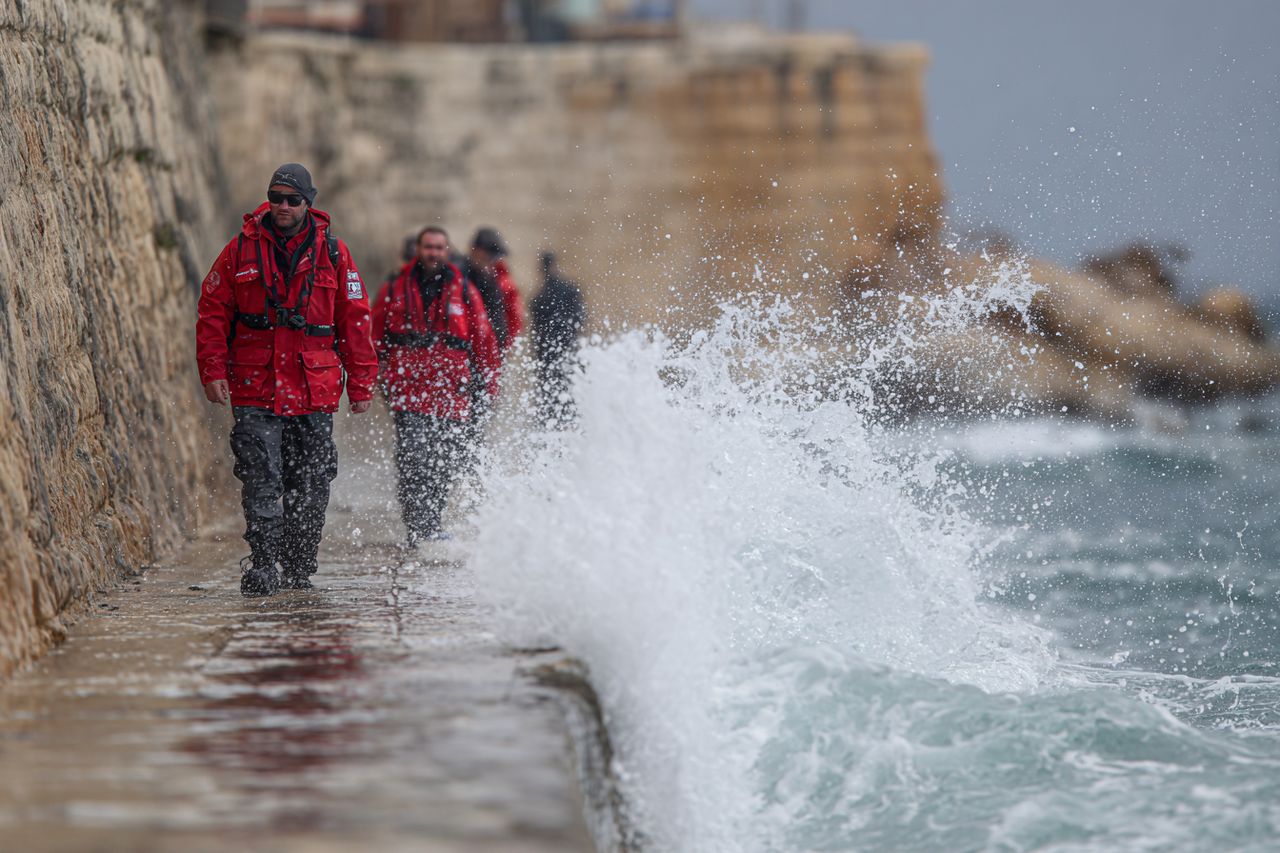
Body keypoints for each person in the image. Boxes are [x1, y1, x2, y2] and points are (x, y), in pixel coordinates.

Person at [196, 163, 377, 596]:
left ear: (307, 203)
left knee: (311, 484)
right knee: (261, 478)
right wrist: (213, 371)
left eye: (292, 199)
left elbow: (354, 319)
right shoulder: (239, 250)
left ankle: (298, 566)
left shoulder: (334, 253)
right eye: (276, 197)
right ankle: (262, 564)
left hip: (314, 390)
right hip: (256, 386)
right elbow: (213, 311)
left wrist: (362, 382)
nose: (282, 205)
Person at [372, 226, 502, 546]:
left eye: (439, 247)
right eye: (428, 247)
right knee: (414, 458)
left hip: (450, 393)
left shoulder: (463, 290)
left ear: (448, 251)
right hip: (408, 390)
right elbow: (374, 335)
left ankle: (430, 524)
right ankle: (417, 524)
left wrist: (489, 384)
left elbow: (484, 339)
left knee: (441, 462)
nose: (433, 253)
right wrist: (375, 376)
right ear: (418, 249)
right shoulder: (394, 287)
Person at [529, 251, 587, 427]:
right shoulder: (570, 289)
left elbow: (537, 332)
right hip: (568, 354)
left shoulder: (539, 297)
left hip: (548, 358)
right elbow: (580, 318)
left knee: (550, 407)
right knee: (570, 403)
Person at [468, 227, 525, 356]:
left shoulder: (503, 282)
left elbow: (514, 317)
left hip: (493, 347)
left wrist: (505, 345)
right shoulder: (464, 272)